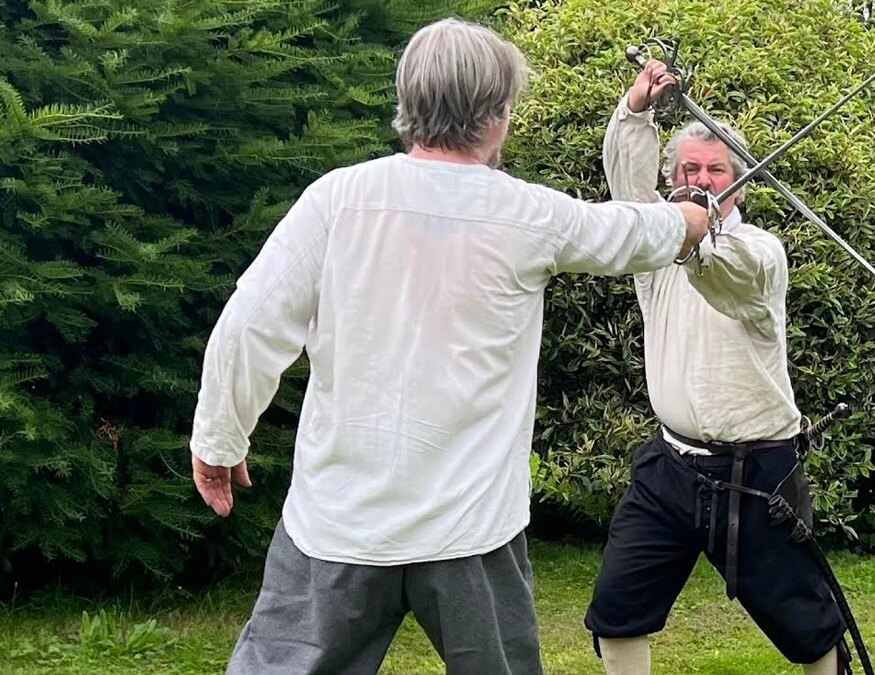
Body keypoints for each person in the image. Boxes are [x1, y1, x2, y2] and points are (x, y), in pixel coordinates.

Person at [188, 18, 714, 675]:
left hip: (342, 525)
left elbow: (249, 326)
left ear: (407, 104)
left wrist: (218, 441)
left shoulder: (335, 201)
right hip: (466, 534)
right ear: (498, 113)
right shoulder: (528, 215)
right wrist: (695, 217)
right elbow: (628, 233)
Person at [582, 59, 851, 674]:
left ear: (740, 183)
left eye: (716, 170)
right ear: (672, 178)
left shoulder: (760, 252)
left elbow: (723, 276)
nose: (701, 178)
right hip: (668, 468)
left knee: (810, 630)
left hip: (757, 474)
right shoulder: (654, 247)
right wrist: (636, 109)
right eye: (689, 169)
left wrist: (696, 234)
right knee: (616, 612)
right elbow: (629, 193)